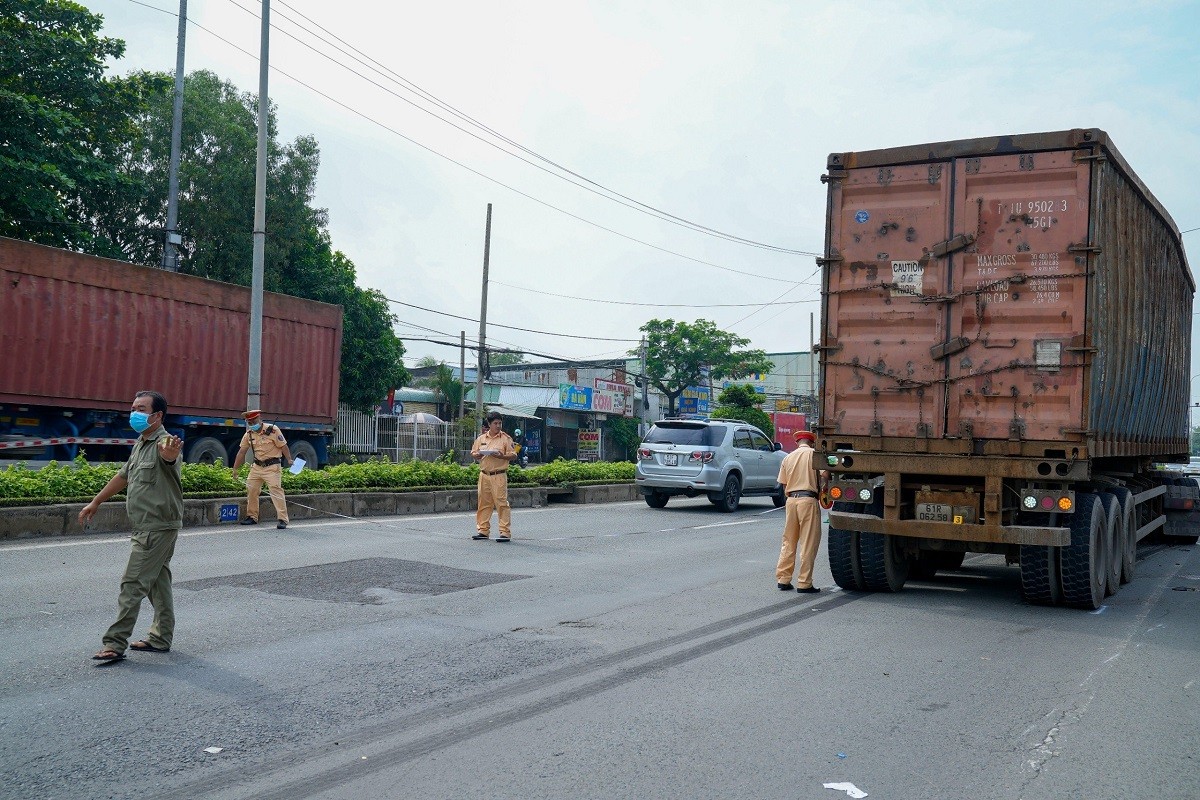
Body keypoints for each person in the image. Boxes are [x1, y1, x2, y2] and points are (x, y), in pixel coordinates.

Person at [79, 390, 184, 663]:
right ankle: (161, 638)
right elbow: (123, 475)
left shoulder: (164, 443)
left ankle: (114, 643)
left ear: (157, 415)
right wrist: (96, 502)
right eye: (133, 408)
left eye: (141, 408)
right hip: (147, 525)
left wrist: (170, 455)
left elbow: (169, 458)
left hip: (157, 526)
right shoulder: (142, 441)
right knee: (157, 583)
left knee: (133, 583)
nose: (134, 413)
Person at [775, 429, 829, 594]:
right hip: (808, 501)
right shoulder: (815, 455)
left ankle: (783, 579)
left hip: (791, 501)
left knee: (788, 541)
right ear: (811, 442)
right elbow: (825, 474)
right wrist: (824, 489)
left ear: (798, 442)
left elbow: (783, 484)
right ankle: (804, 583)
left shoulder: (788, 457)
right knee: (808, 543)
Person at [231, 410, 292, 529]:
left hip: (272, 467)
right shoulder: (248, 434)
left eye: (254, 421)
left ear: (259, 419)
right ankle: (252, 516)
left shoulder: (273, 430)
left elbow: (283, 446)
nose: (252, 423)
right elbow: (241, 452)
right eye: (250, 422)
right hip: (257, 467)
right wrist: (235, 469)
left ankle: (282, 519)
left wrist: (289, 459)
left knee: (276, 491)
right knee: (251, 489)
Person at [470, 410, 516, 541]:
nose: (498, 426)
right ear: (489, 424)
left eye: (500, 423)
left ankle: (505, 532)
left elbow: (513, 455)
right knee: (484, 503)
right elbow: (473, 452)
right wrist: (477, 455)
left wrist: (502, 456)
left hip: (499, 475)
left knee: (501, 503)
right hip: (484, 475)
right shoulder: (481, 439)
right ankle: (483, 531)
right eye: (495, 423)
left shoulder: (505, 439)